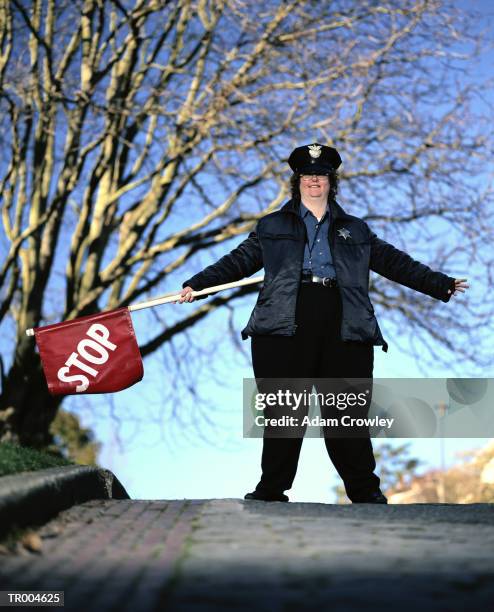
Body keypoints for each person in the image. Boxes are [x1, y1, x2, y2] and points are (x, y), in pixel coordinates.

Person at [179, 143, 469, 504]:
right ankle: (271, 490)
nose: (314, 181)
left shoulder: (356, 230)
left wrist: (438, 283)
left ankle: (365, 492)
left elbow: (395, 262)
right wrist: (198, 284)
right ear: (297, 181)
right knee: (284, 410)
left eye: (321, 176)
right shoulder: (272, 226)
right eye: (307, 175)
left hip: (344, 324)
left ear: (331, 182)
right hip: (283, 324)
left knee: (346, 411)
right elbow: (238, 261)